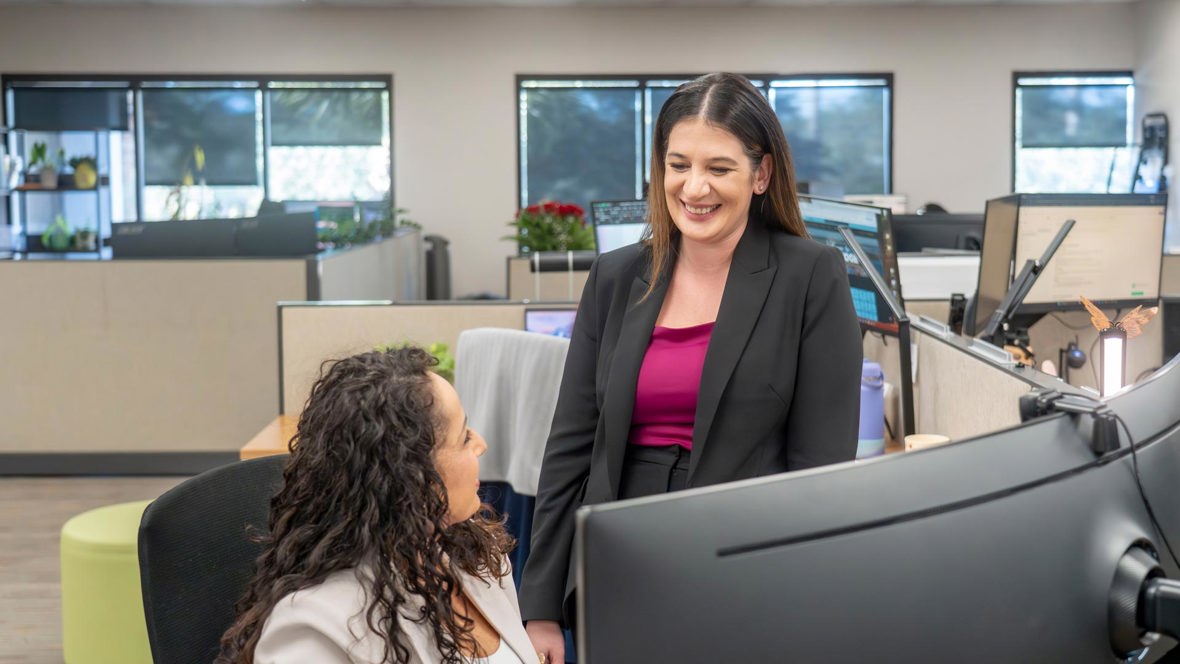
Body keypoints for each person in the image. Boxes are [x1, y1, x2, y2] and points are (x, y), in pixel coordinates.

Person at [519, 72, 863, 662]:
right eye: (678, 164)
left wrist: (808, 605)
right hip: (622, 561)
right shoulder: (616, 276)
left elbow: (821, 472)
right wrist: (541, 606)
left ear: (762, 174)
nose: (694, 187)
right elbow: (572, 447)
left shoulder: (810, 275)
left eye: (720, 168)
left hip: (748, 568)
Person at [216, 347, 542, 664]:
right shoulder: (316, 630)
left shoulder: (472, 551)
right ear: (413, 476)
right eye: (464, 438)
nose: (481, 444)